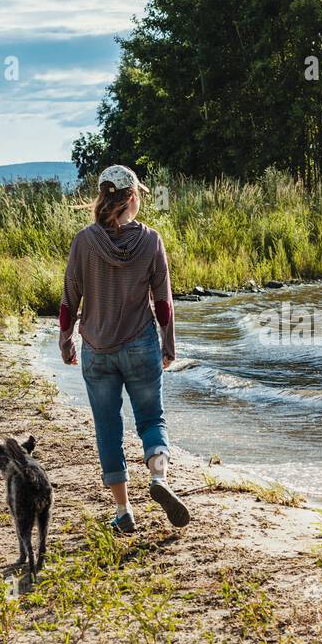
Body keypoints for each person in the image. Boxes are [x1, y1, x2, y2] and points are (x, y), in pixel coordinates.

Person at [58, 164, 189, 532]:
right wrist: (168, 344)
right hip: (141, 345)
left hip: (97, 350)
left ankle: (123, 511)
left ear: (103, 197)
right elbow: (163, 301)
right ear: (132, 198)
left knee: (108, 427)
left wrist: (65, 340)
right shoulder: (150, 240)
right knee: (151, 419)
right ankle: (159, 479)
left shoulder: (84, 242)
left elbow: (70, 298)